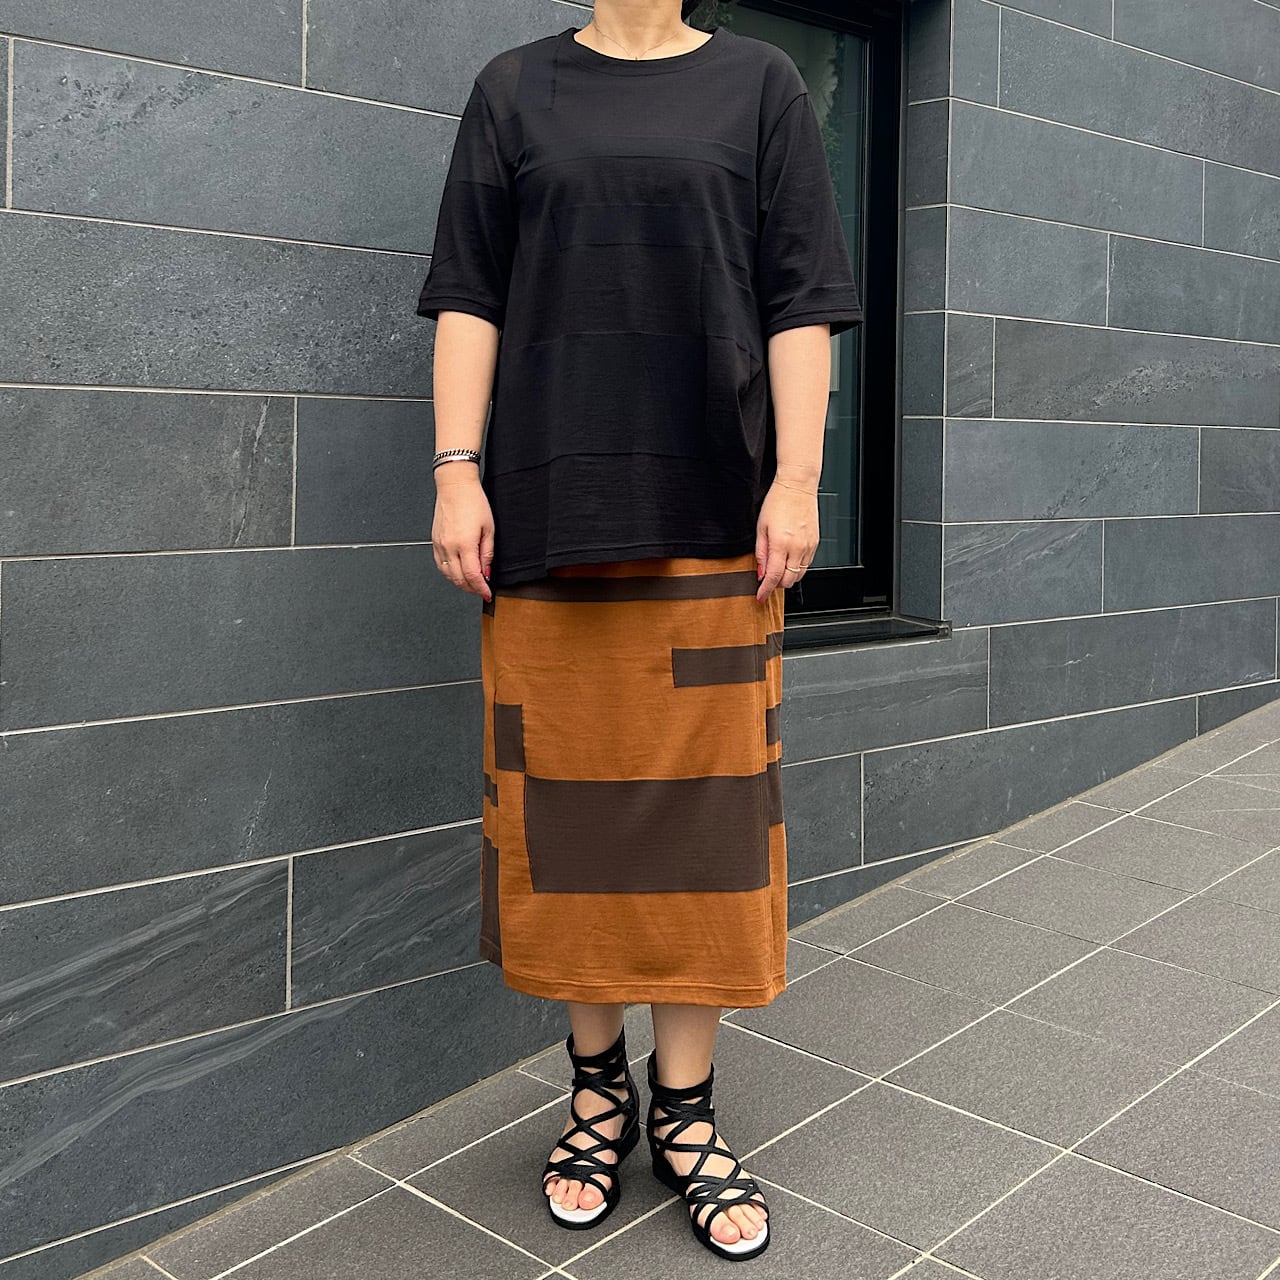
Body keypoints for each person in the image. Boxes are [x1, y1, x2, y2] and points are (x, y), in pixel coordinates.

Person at [416, 0, 863, 1262]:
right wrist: (455, 470)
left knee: (708, 835)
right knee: (568, 824)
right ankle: (595, 1091)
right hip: (549, 518)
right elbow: (469, 295)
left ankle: (686, 1109)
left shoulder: (760, 84)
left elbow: (799, 300)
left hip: (714, 518)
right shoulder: (514, 89)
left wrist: (796, 478)